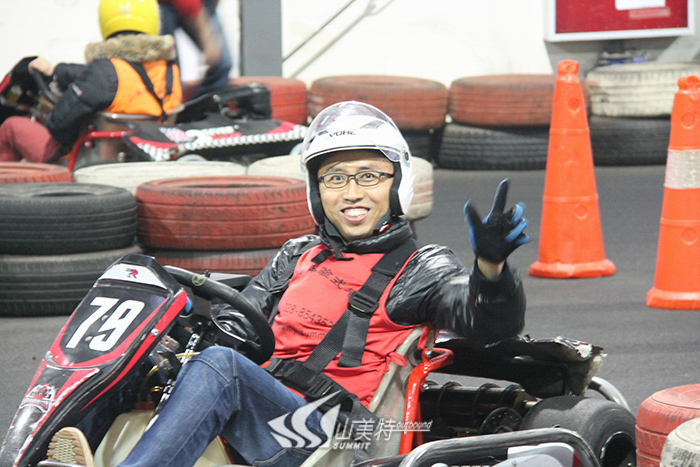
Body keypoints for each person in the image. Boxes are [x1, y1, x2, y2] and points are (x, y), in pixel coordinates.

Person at [45, 101, 529, 467]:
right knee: (141, 352)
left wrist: (490, 268)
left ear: (396, 183)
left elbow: (485, 322)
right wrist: (173, 341)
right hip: (268, 410)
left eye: (369, 176)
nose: (352, 193)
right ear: (316, 190)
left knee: (223, 369)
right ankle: (55, 453)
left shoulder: (420, 266)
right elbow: (236, 326)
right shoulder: (299, 254)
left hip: (338, 436)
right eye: (335, 179)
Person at [0, 0, 182, 164]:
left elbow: (58, 126)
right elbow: (119, 78)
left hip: (90, 161)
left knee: (11, 127)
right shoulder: (170, 70)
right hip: (151, 154)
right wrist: (56, 71)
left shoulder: (104, 72)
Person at [158, 0, 233, 99]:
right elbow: (189, 4)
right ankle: (171, 102)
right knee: (169, 72)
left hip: (202, 3)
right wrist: (207, 38)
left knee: (222, 63)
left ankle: (205, 104)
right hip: (163, 5)